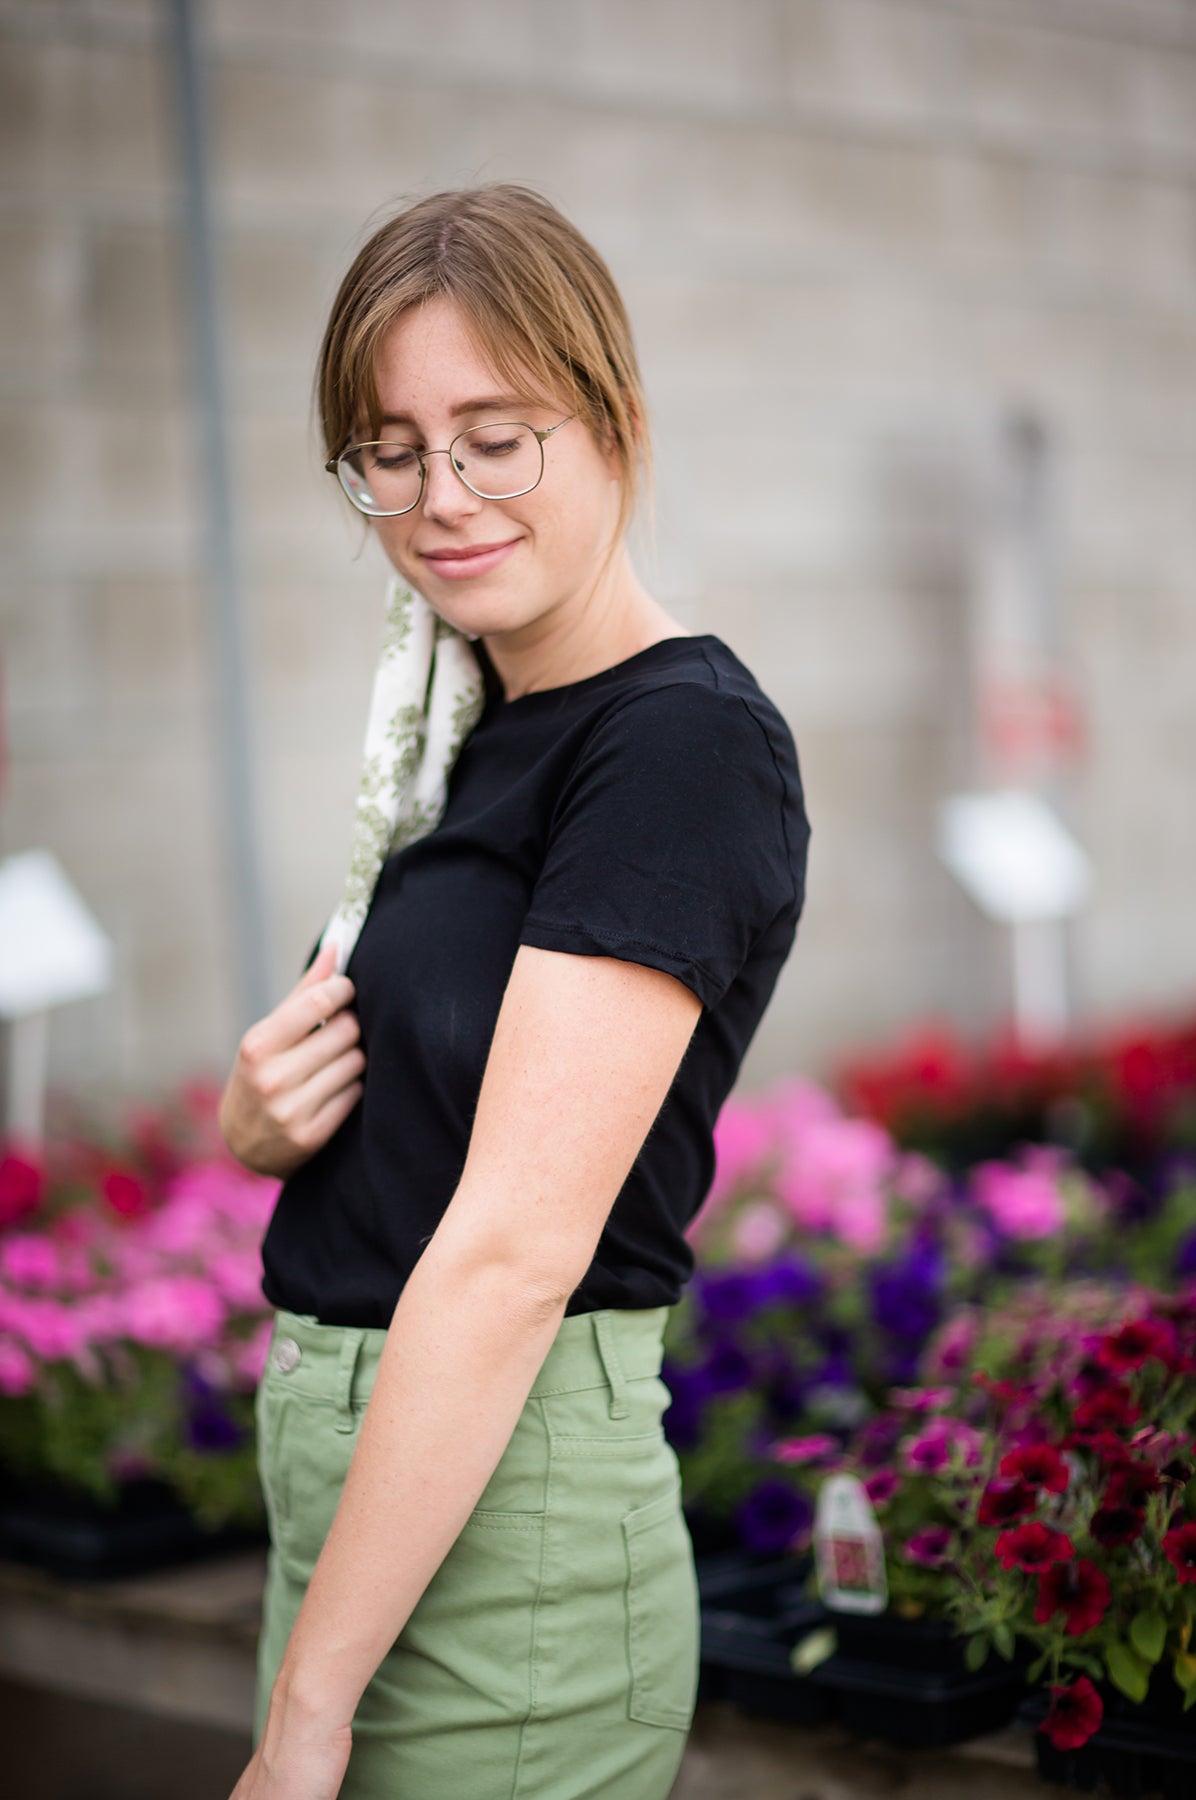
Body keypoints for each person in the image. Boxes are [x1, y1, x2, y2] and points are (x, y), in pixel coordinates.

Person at [219, 182, 811, 1800]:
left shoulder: (677, 744)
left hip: (507, 1533)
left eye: (496, 434)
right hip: (372, 1500)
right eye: (391, 450)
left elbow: (506, 1258)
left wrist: (307, 1716)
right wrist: (252, 1117)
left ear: (614, 416)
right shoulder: (455, 719)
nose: (440, 497)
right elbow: (391, 1081)